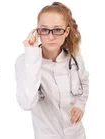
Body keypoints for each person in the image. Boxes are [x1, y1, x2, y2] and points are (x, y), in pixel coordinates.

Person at [15, 2, 88, 139]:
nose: (50, 37)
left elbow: (84, 80)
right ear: (37, 32)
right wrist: (32, 54)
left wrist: (81, 104)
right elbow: (26, 103)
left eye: (57, 30)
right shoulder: (25, 61)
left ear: (66, 32)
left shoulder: (74, 57)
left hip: (76, 134)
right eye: (44, 29)